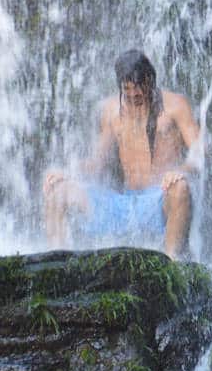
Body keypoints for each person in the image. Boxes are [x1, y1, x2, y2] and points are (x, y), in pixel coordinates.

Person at [42, 49, 201, 259]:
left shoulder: (176, 105)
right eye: (128, 92)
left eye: (140, 90)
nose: (135, 97)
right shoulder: (111, 110)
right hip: (120, 205)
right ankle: (58, 265)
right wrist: (66, 172)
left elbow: (200, 153)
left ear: (150, 80)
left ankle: (172, 266)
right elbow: (97, 162)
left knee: (180, 188)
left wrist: (180, 171)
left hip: (158, 199)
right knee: (58, 192)